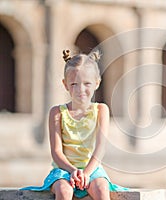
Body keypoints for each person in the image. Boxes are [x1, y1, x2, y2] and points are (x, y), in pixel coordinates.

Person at [21, 49, 128, 200]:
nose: (80, 90)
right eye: (74, 84)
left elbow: (100, 149)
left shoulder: (101, 110)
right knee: (64, 191)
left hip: (92, 168)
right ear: (65, 84)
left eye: (87, 84)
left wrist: (85, 173)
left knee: (101, 189)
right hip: (63, 170)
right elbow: (56, 152)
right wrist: (73, 171)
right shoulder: (57, 113)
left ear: (97, 83)